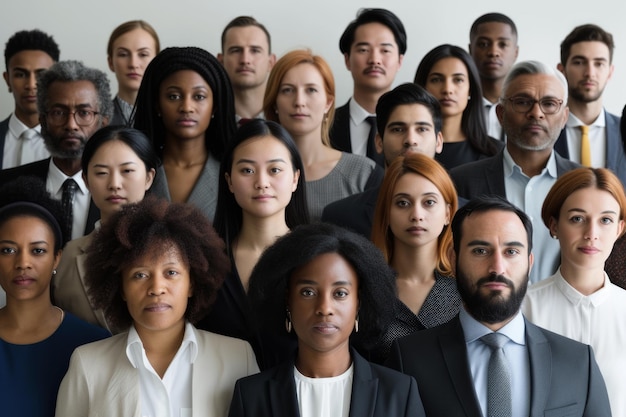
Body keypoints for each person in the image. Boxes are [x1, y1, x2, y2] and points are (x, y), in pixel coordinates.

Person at [387, 195, 611, 416]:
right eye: (480, 251)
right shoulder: (408, 359)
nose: (497, 267)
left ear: (529, 263)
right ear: (453, 260)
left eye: (511, 252)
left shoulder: (578, 362)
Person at [56, 197, 259, 417]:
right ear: (121, 288)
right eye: (140, 275)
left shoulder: (239, 358)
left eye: (171, 273)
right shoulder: (87, 364)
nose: (156, 288)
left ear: (191, 283)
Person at [228, 223, 425, 416]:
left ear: (359, 303)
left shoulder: (399, 393)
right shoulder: (252, 396)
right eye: (308, 292)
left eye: (340, 293)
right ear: (287, 301)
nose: (324, 308)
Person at [450, 60, 580, 283]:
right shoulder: (460, 181)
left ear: (564, 116)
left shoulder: (583, 185)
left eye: (549, 104)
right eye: (522, 102)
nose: (536, 113)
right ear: (501, 113)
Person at [197, 119, 309, 367]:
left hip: (294, 399)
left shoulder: (316, 257)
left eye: (275, 170)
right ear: (229, 181)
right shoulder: (204, 262)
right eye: (247, 170)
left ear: (295, 178)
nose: (262, 182)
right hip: (218, 399)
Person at [0, 177, 109, 417]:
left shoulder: (94, 345)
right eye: (8, 250)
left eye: (38, 250)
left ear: (57, 258)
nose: (23, 263)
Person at [523, 167, 626, 416]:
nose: (591, 234)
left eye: (605, 220)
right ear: (554, 225)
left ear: (619, 229)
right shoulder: (524, 309)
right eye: (577, 219)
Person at [53, 126, 158, 331]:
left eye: (127, 171)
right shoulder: (67, 256)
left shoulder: (175, 248)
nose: (114, 184)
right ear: (86, 181)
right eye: (101, 173)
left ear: (148, 177)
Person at [263, 49, 382, 222]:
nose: (299, 102)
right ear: (274, 102)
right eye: (288, 90)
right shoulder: (257, 171)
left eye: (311, 90)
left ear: (328, 102)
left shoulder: (363, 173)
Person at [0, 60, 112, 242]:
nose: (71, 125)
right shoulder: (5, 186)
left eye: (84, 113)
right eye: (59, 112)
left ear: (103, 122)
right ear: (43, 121)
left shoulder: (123, 191)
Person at [321, 83, 444, 237]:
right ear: (379, 142)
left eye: (422, 129)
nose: (411, 140)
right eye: (398, 129)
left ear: (439, 141)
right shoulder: (340, 216)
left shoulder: (464, 214)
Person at [371, 153, 461, 359]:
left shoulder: (465, 287)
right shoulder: (366, 288)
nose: (417, 215)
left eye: (429, 202)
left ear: (448, 213)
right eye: (403, 203)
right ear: (387, 212)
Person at [133, 46, 236, 221]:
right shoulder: (135, 170)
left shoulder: (232, 172)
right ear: (157, 104)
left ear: (215, 106)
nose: (187, 107)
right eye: (173, 96)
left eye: (199, 97)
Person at [330, 8, 406, 167]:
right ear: (347, 60)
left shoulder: (414, 129)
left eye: (385, 50)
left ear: (400, 60)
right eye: (363, 50)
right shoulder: (325, 126)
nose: (375, 60)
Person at [553, 24, 626, 185]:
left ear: (610, 72)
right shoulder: (544, 131)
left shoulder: (623, 130)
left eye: (599, 63)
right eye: (579, 62)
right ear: (561, 70)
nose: (589, 73)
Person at [414, 44, 502, 170]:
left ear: (470, 89)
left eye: (458, 80)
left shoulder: (497, 153)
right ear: (423, 87)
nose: (447, 89)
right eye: (436, 80)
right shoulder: (408, 146)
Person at [1, 29, 59, 169]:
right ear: (7, 79)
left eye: (41, 75)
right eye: (21, 75)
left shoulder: (73, 141)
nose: (31, 85)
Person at [469, 13, 519, 141]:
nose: (493, 52)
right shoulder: (455, 106)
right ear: (470, 50)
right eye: (483, 44)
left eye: (502, 44)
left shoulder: (527, 108)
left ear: (516, 52)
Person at [218, 16, 276, 123]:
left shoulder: (289, 122)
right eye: (236, 50)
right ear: (221, 61)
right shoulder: (204, 124)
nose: (245, 60)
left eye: (255, 50)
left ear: (271, 62)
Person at [106, 20, 160, 126]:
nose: (133, 64)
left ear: (157, 61)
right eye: (123, 54)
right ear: (110, 62)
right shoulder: (98, 119)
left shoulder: (169, 118)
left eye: (143, 54)